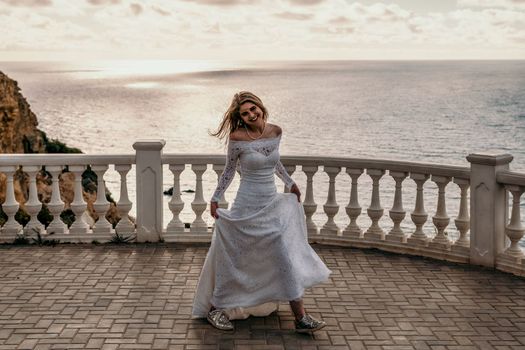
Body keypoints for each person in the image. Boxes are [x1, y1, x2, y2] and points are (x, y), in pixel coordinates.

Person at [191, 91, 331, 333]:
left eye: (253, 109)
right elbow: (229, 171)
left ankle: (301, 317)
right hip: (247, 203)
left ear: (260, 107)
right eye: (245, 113)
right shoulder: (237, 138)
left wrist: (290, 182)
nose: (251, 114)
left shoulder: (275, 131)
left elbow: (274, 162)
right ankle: (216, 308)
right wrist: (215, 198)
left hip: (271, 203)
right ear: (241, 118)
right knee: (237, 257)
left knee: (281, 252)